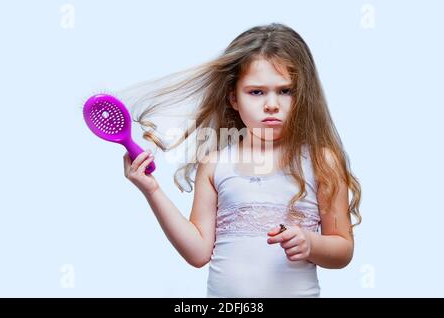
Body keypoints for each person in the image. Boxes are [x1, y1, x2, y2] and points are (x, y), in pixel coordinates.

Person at [121, 23, 362, 297]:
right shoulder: (214, 164)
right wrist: (152, 190)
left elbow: (343, 249)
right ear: (234, 98)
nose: (272, 104)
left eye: (285, 90)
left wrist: (311, 243)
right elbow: (198, 252)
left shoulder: (322, 161)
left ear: (303, 96)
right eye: (256, 92)